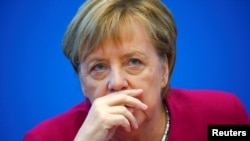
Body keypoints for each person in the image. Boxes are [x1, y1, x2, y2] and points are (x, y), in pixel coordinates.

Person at [23, 0, 250, 141]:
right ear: (82, 82)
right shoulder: (44, 138)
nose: (117, 83)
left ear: (164, 70)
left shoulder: (223, 117)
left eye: (133, 62)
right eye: (98, 67)